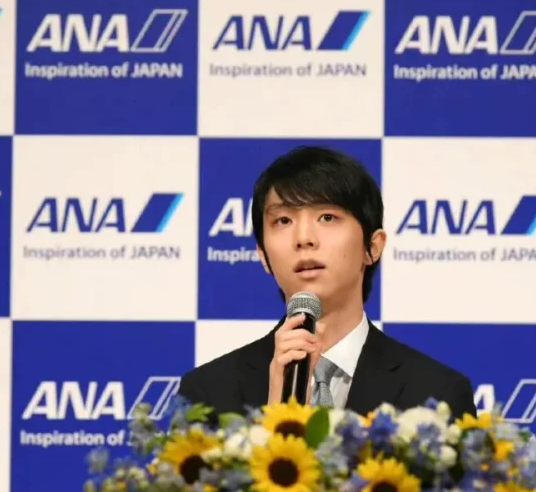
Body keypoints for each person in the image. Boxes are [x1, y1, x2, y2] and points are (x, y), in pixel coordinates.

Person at [177, 146, 477, 423]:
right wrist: (275, 420)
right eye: (283, 221)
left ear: (372, 247)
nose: (304, 238)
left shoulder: (437, 394)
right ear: (263, 255)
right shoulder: (207, 394)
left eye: (327, 217)